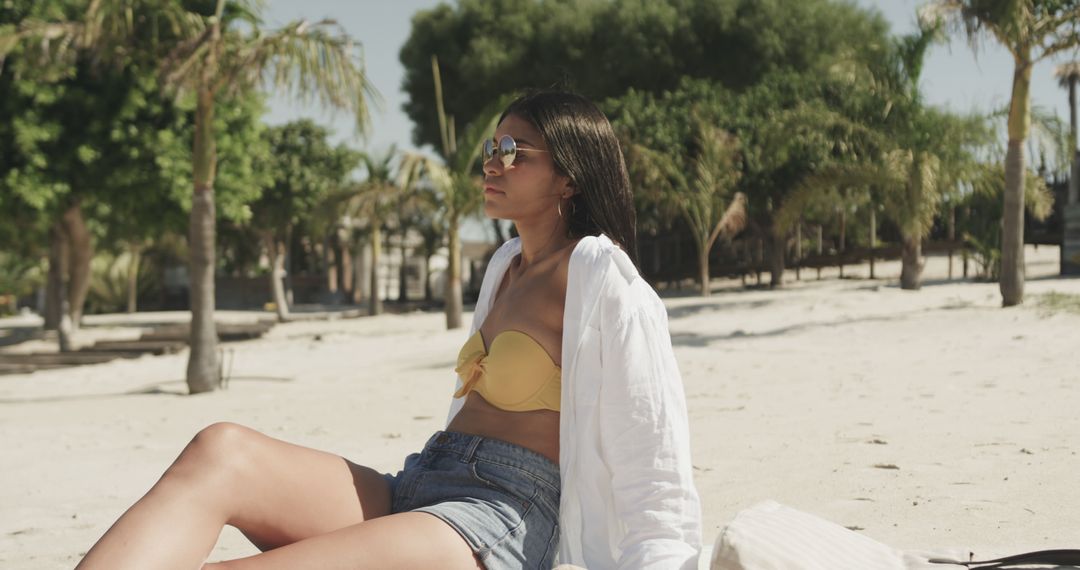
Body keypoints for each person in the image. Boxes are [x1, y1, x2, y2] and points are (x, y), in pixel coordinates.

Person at [75, 90, 701, 570]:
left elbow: (654, 456)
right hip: (421, 484)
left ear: (569, 176)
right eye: (491, 149)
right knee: (222, 448)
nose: (493, 162)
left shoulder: (600, 278)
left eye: (513, 152)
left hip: (501, 517)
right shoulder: (505, 268)